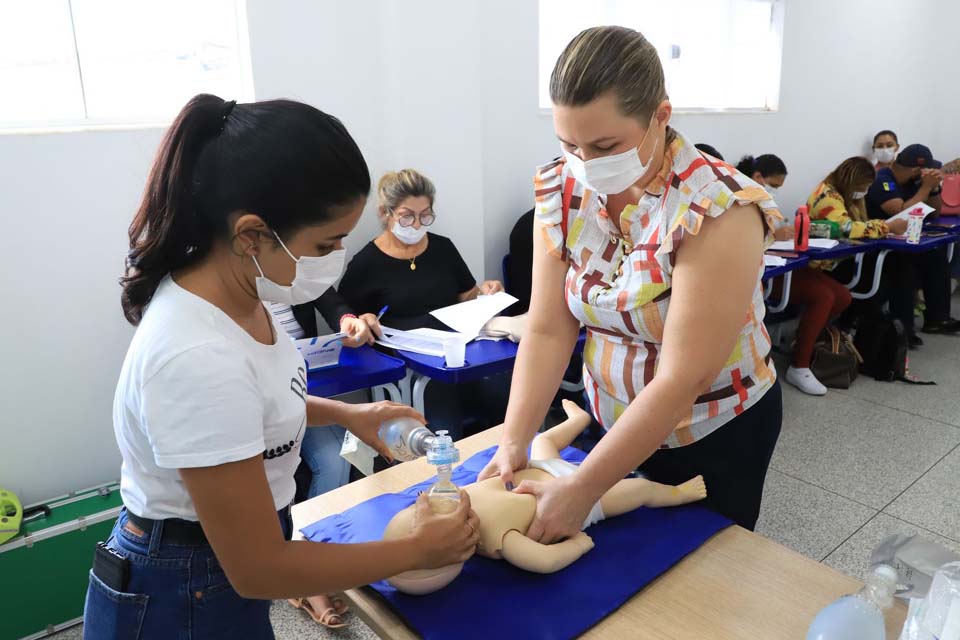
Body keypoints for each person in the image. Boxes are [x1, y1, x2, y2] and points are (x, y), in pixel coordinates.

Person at [84, 94, 480, 639]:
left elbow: (260, 406)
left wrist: (345, 415)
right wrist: (411, 551)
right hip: (181, 587)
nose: (339, 254)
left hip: (220, 568)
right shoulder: (196, 355)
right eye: (328, 241)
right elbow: (259, 569)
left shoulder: (243, 296)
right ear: (251, 234)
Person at [479, 26, 783, 538]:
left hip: (711, 426)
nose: (585, 164)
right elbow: (549, 328)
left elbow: (681, 378)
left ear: (660, 117)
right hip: (613, 418)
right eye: (569, 143)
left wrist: (581, 491)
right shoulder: (560, 187)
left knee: (695, 576)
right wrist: (515, 440)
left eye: (604, 145)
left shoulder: (718, 207)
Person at [382, 400, 707, 594]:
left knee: (542, 443)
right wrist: (578, 544)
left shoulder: (455, 493)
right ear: (453, 556)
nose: (438, 502)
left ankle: (577, 421)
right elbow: (545, 561)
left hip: (542, 469)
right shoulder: (497, 541)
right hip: (581, 501)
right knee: (638, 490)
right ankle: (677, 493)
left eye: (422, 504)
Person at [327, 169, 510, 438]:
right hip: (415, 368)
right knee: (445, 429)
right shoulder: (367, 263)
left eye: (425, 215)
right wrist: (364, 318)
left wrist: (487, 293)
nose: (416, 224)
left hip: (460, 353)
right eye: (407, 216)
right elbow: (350, 320)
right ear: (385, 213)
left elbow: (467, 297)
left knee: (504, 395)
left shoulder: (443, 248)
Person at [865, 144, 960, 340]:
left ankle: (937, 319)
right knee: (905, 266)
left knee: (937, 255)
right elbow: (900, 212)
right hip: (879, 246)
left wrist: (933, 190)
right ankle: (903, 329)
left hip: (907, 241)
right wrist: (925, 187)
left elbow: (934, 214)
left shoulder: (914, 182)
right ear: (917, 169)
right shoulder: (882, 179)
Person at [736, 154, 791, 241]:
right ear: (757, 177)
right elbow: (739, 238)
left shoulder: (762, 202)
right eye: (773, 185)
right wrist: (774, 237)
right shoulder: (738, 200)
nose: (774, 191)